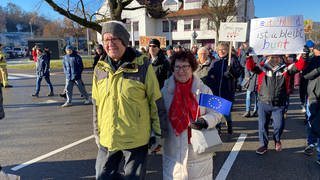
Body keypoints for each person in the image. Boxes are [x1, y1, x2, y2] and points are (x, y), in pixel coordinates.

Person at [92, 20, 167, 179]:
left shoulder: (142, 66)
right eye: (106, 40)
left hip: (135, 139)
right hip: (108, 138)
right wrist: (96, 131)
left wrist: (159, 134)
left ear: (124, 41)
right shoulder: (99, 68)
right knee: (102, 176)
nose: (110, 44)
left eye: (114, 39)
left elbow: (155, 101)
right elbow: (96, 104)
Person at [161, 51, 223, 179]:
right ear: (173, 68)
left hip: (198, 148)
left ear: (192, 68)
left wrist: (205, 121)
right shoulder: (165, 90)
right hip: (173, 149)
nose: (181, 70)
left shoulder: (203, 89)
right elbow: (158, 115)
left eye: (185, 66)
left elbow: (218, 111)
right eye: (177, 67)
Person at [246, 52, 306, 155]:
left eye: (277, 57)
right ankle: (263, 145)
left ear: (281, 58)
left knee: (279, 125)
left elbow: (299, 66)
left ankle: (277, 139)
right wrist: (249, 57)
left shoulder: (286, 68)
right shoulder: (262, 68)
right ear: (268, 58)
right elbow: (251, 67)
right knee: (262, 125)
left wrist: (304, 56)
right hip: (263, 102)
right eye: (272, 57)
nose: (274, 59)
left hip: (279, 103)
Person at [206, 42, 243, 134]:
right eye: (219, 50)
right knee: (216, 109)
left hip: (227, 88)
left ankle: (229, 124)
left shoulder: (232, 60)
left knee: (225, 109)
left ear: (228, 51)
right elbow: (210, 72)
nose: (221, 51)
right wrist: (211, 77)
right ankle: (218, 127)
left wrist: (231, 73)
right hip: (216, 88)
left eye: (224, 50)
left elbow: (238, 72)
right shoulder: (215, 61)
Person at [301, 43, 320, 165]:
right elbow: (306, 75)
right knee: (312, 121)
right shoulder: (314, 60)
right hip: (314, 97)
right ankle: (311, 143)